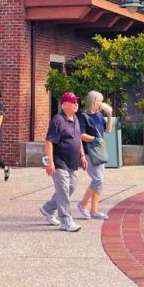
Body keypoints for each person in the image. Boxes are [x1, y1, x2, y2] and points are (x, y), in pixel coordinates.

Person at [41, 92, 86, 231]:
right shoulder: (58, 120)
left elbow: (78, 139)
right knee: (63, 190)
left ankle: (47, 209)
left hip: (72, 162)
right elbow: (49, 141)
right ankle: (66, 221)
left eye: (76, 102)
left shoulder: (76, 119)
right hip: (59, 161)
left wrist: (82, 156)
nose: (76, 104)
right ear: (64, 104)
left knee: (71, 187)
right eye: (73, 102)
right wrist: (50, 162)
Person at [77, 91, 112, 221]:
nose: (101, 104)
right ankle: (82, 204)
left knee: (100, 182)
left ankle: (94, 211)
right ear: (93, 101)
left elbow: (108, 130)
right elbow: (81, 135)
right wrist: (96, 139)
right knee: (98, 180)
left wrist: (109, 115)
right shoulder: (83, 116)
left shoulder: (98, 115)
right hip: (89, 152)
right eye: (99, 101)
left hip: (99, 152)